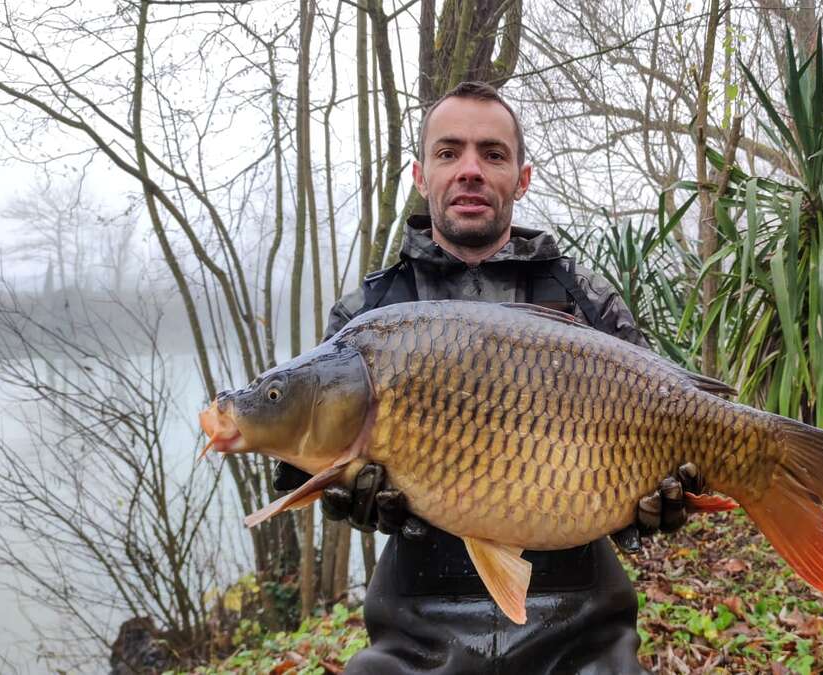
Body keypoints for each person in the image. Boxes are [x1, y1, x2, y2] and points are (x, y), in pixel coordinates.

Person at [274, 81, 702, 675]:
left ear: (521, 179)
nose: (470, 170)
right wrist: (351, 496)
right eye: (449, 153)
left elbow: (667, 431)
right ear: (421, 176)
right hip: (417, 623)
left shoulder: (587, 302)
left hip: (579, 614)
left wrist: (660, 504)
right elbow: (309, 457)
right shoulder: (368, 317)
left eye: (492, 154)